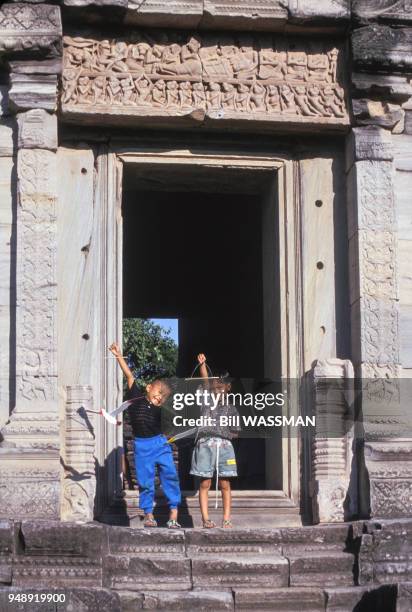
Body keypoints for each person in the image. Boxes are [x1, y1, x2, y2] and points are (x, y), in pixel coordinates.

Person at [108, 342, 181, 529]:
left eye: (161, 399)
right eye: (157, 394)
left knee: (170, 475)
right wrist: (118, 355)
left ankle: (174, 513)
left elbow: (172, 425)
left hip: (160, 443)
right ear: (148, 388)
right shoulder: (136, 397)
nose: (158, 399)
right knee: (145, 481)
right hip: (142, 445)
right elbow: (130, 375)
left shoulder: (162, 410)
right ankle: (149, 514)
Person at [190, 353, 240, 528]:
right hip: (205, 445)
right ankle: (205, 519)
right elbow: (204, 381)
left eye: (222, 385)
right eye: (215, 384)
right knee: (205, 482)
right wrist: (203, 365)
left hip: (225, 446)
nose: (218, 387)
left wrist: (226, 434)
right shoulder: (206, 399)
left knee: (225, 483)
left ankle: (226, 518)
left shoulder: (231, 408)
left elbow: (236, 431)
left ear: (228, 387)